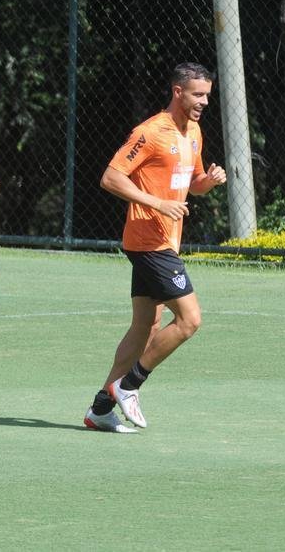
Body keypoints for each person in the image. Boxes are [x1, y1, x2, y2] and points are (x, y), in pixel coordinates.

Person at [83, 62, 226, 432]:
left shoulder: (193, 131)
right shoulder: (150, 132)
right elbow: (111, 177)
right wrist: (156, 203)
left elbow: (190, 182)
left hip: (166, 241)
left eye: (207, 94)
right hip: (149, 240)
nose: (205, 101)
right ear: (178, 92)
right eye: (198, 94)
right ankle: (129, 385)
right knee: (190, 320)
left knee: (145, 326)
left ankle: (100, 408)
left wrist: (207, 182)